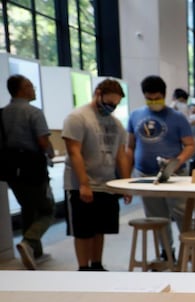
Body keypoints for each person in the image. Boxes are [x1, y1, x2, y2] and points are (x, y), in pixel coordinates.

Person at [62, 79, 132, 271]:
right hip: (81, 183)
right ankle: (83, 268)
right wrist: (84, 183)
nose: (111, 108)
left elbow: (121, 155)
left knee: (100, 229)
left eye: (115, 105)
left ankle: (97, 264)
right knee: (83, 231)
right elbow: (74, 152)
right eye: (109, 103)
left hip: (106, 184)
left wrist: (126, 185)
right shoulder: (78, 118)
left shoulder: (116, 123)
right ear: (98, 94)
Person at [127, 75, 195, 255]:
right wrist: (127, 176)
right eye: (149, 98)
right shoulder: (135, 116)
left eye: (156, 98)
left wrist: (177, 161)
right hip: (145, 175)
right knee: (156, 216)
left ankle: (193, 250)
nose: (153, 102)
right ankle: (166, 250)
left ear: (164, 96)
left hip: (175, 174)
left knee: (183, 213)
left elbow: (190, 145)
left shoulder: (177, 118)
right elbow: (130, 146)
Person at [0, 74, 55, 269]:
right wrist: (50, 152)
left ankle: (35, 253)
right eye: (31, 86)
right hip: (33, 167)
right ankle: (29, 241)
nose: (34, 89)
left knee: (27, 207)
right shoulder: (34, 112)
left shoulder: (2, 113)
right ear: (23, 89)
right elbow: (42, 141)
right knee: (47, 210)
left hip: (9, 168)